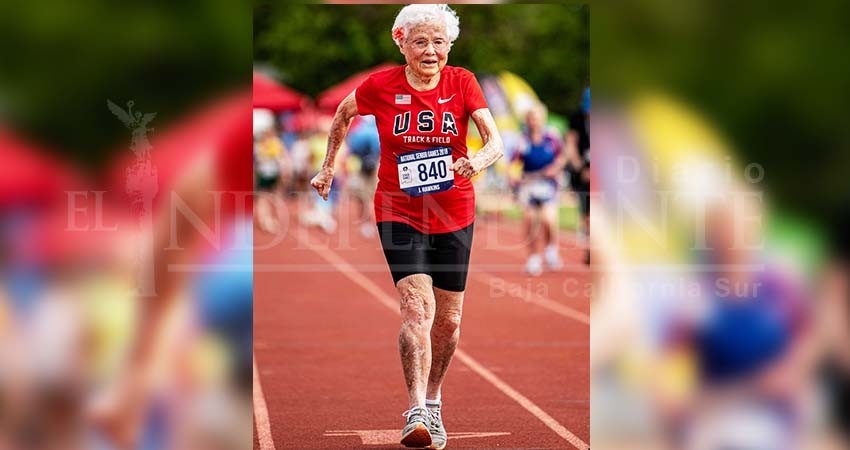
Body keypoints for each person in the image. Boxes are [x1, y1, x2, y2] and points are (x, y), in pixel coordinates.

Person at [310, 4, 503, 448]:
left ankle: (434, 400)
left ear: (450, 45)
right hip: (398, 209)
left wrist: (475, 160)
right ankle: (416, 408)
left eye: (439, 42)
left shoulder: (463, 82)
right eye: (420, 41)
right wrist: (327, 168)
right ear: (401, 42)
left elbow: (495, 141)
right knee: (417, 309)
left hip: (454, 211)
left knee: (449, 322)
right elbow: (342, 114)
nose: (431, 51)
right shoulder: (380, 86)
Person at [512, 103, 567, 276]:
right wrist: (513, 177)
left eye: (537, 118)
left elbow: (562, 157)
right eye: (531, 118)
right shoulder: (523, 140)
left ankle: (551, 249)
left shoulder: (552, 137)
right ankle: (534, 257)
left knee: (548, 220)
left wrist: (554, 169)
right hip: (529, 184)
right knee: (530, 221)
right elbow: (513, 163)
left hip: (547, 184)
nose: (534, 122)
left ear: (543, 119)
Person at [566, 86, 590, 265]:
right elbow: (571, 145)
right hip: (582, 172)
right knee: (587, 214)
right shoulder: (576, 119)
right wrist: (580, 167)